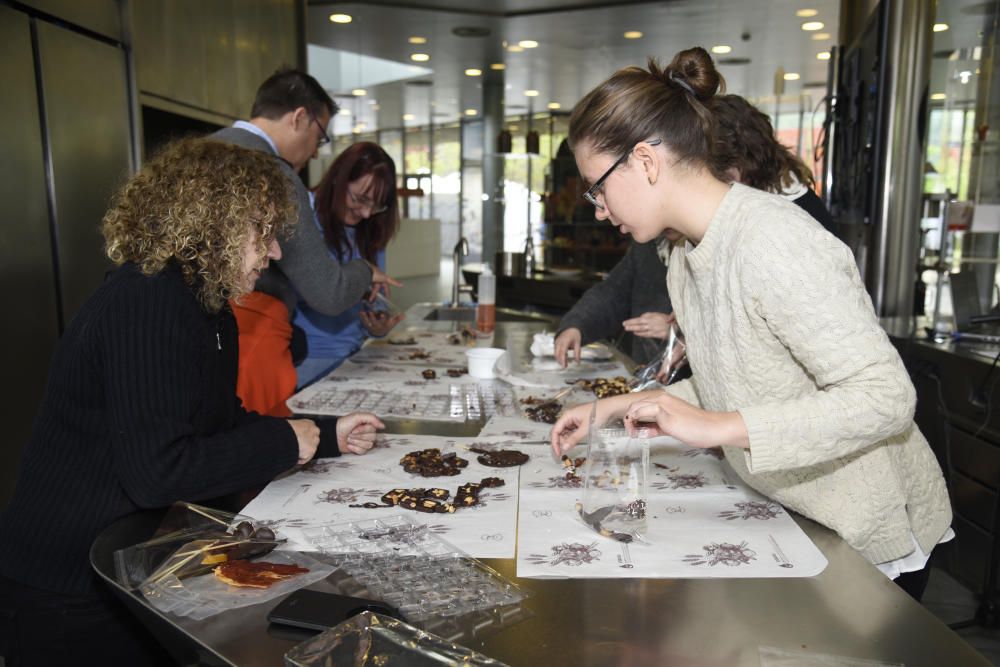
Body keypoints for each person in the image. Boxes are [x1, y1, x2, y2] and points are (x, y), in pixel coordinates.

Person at [549, 47, 952, 600]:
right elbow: (740, 382)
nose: (597, 207)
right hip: (792, 514)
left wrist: (716, 428)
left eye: (598, 186)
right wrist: (617, 407)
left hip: (865, 535)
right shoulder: (687, 257)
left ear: (644, 161)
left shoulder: (774, 240)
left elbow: (885, 397)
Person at [0, 138, 384, 665]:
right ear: (215, 223)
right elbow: (159, 471)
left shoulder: (205, 305)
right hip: (68, 584)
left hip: (121, 563)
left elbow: (219, 425)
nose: (273, 253)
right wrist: (280, 441)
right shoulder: (148, 301)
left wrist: (323, 433)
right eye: (264, 233)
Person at [554, 93, 836, 369]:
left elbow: (860, 386)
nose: (600, 211)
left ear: (735, 175)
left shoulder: (784, 234)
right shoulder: (672, 239)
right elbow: (616, 289)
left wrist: (686, 335)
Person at [211, 68, 401, 414]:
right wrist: (364, 270)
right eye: (320, 137)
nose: (315, 153)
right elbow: (327, 293)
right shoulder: (275, 172)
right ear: (300, 118)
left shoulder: (201, 152)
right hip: (250, 342)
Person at [294, 142, 405, 386]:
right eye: (360, 199)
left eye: (376, 205)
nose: (365, 213)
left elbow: (368, 300)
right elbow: (318, 292)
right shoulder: (304, 218)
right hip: (307, 360)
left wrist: (376, 327)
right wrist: (361, 274)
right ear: (338, 179)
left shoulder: (370, 230)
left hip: (356, 357)